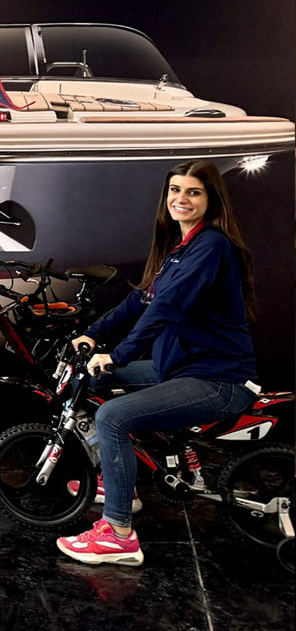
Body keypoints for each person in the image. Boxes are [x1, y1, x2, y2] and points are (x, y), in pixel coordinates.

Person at [57, 160, 259, 568]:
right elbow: (140, 300)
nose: (181, 199)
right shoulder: (180, 249)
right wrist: (94, 333)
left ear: (212, 199)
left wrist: (117, 355)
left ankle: (118, 536)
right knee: (91, 384)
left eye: (193, 192)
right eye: (175, 191)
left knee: (113, 417)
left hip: (218, 379)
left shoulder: (212, 246)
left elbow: (166, 308)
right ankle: (121, 487)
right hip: (180, 367)